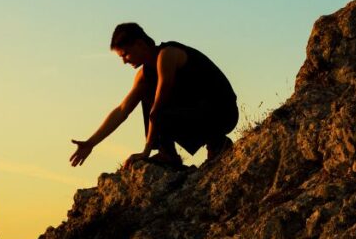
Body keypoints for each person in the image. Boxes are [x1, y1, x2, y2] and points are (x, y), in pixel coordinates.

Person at [70, 23, 238, 169]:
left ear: (140, 44)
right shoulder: (144, 74)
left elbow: (158, 108)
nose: (124, 61)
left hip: (223, 113)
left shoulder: (168, 55)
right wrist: (90, 143)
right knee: (147, 90)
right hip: (198, 112)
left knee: (155, 100)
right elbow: (122, 110)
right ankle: (176, 152)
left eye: (125, 54)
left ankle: (204, 146)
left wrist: (147, 150)